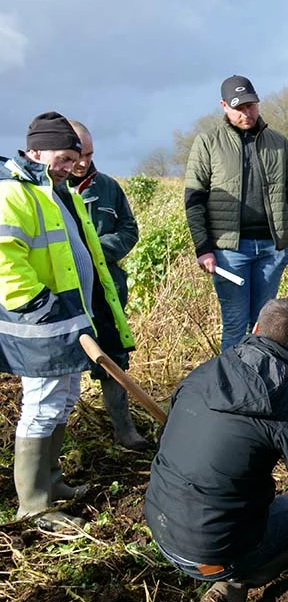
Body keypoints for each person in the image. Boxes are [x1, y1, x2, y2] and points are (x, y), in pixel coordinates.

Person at [145, 298, 288, 602]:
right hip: (212, 551)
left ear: (255, 328)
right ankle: (237, 577)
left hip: (160, 527)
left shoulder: (205, 371)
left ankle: (226, 571)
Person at [0, 112, 134, 530]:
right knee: (40, 406)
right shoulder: (14, 193)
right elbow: (5, 260)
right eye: (61, 157)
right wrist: (40, 305)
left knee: (64, 399)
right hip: (41, 324)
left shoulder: (59, 192)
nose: (67, 166)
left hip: (72, 321)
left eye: (73, 159)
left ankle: (52, 481)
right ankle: (34, 504)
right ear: (35, 150)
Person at [184, 75, 288, 352]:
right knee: (236, 325)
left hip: (271, 250)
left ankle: (261, 387)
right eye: (239, 107)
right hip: (229, 252)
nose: (246, 112)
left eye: (251, 105)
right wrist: (203, 247)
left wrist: (287, 234)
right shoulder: (208, 142)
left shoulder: (278, 142)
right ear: (224, 106)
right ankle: (234, 391)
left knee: (265, 327)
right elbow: (194, 199)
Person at [66, 120, 147, 450]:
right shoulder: (48, 193)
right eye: (77, 154)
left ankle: (123, 430)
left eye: (89, 154)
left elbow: (129, 231)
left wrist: (94, 251)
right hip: (67, 295)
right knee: (65, 364)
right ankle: (64, 437)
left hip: (106, 290)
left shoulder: (109, 187)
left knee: (113, 357)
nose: (83, 162)